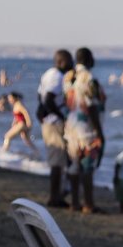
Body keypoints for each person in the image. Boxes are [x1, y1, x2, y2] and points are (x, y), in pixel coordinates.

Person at [64, 48, 107, 214]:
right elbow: (92, 106)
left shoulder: (69, 78)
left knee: (74, 166)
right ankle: (88, 203)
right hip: (87, 130)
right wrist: (100, 133)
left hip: (71, 128)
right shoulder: (89, 79)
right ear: (89, 59)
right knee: (87, 168)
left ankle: (74, 202)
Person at [37, 49, 74, 207]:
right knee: (57, 162)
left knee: (59, 161)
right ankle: (55, 198)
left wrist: (41, 111)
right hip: (54, 123)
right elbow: (48, 98)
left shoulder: (48, 74)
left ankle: (58, 194)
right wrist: (61, 115)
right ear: (62, 62)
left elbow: (40, 96)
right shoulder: (57, 76)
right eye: (70, 62)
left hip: (49, 120)